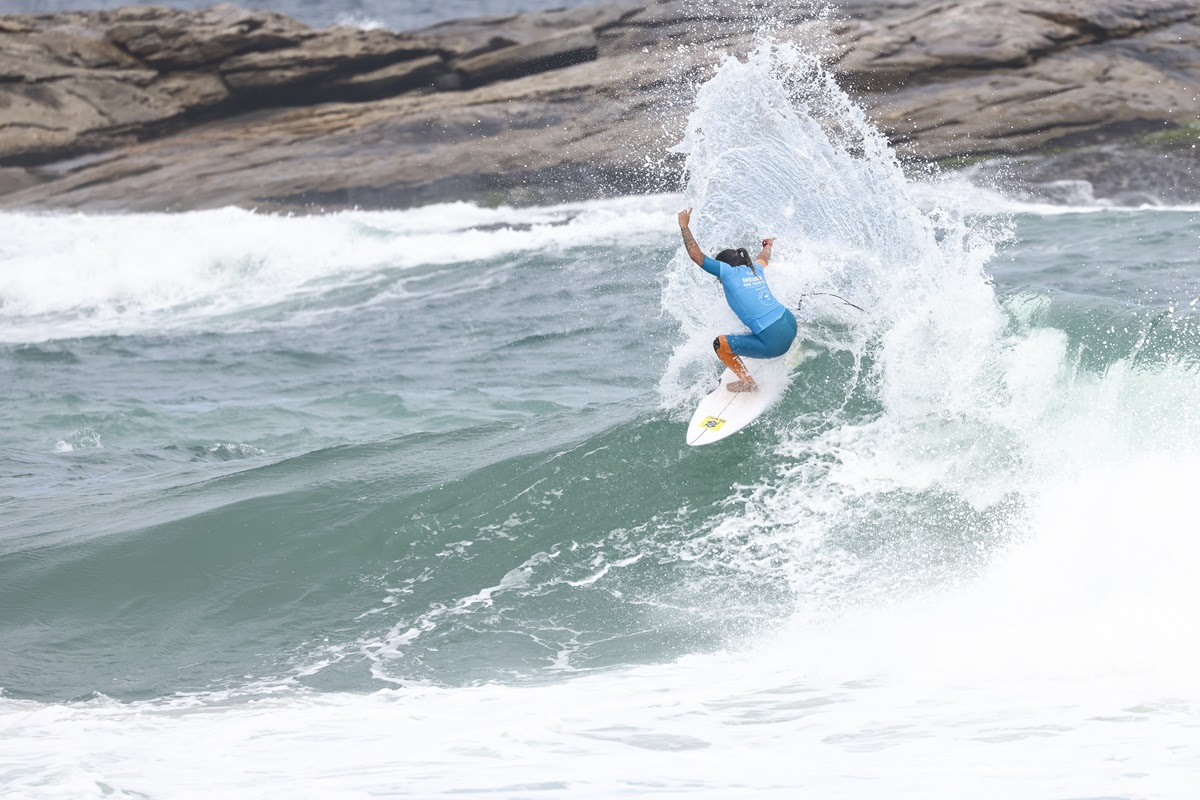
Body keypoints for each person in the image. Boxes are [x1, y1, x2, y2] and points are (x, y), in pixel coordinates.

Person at [677, 208, 797, 392]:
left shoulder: (728, 272)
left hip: (775, 341)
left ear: (722, 267)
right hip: (790, 323)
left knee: (719, 344)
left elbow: (696, 256)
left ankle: (747, 382)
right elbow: (763, 257)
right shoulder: (755, 269)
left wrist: (684, 226)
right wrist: (768, 245)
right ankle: (763, 346)